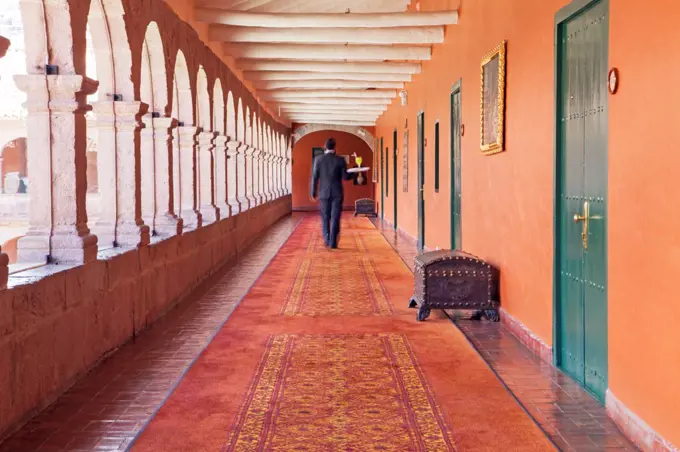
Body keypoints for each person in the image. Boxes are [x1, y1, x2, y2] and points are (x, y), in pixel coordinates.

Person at [310, 137, 354, 249]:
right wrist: (353, 173)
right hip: (337, 193)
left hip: (323, 193)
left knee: (325, 217)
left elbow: (314, 177)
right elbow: (345, 177)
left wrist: (313, 192)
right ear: (334, 148)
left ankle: (326, 237)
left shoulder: (318, 160)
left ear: (325, 147)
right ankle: (333, 242)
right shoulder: (340, 160)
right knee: (335, 217)